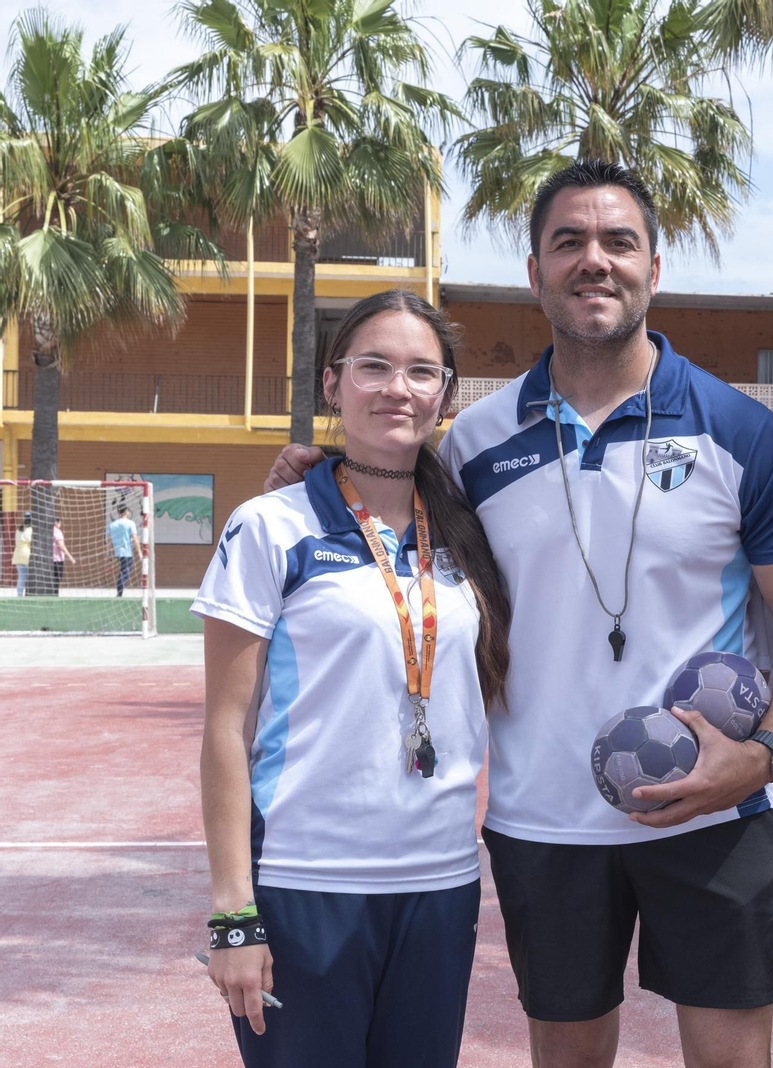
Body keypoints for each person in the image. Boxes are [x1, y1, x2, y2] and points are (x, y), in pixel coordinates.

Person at [266, 160, 773, 1068]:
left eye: (619, 241)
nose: (594, 261)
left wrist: (762, 755)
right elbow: (380, 504)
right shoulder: (472, 445)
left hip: (714, 814)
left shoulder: (739, 432)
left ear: (656, 268)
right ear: (534, 273)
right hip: (544, 817)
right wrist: (317, 480)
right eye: (567, 242)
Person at [197, 289, 513, 1066]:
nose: (395, 387)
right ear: (332, 384)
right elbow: (227, 730)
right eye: (373, 366)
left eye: (420, 371)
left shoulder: (469, 532)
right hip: (307, 881)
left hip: (440, 883)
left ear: (445, 396)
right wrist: (233, 915)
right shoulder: (271, 525)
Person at [107, 504, 142, 597]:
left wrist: (109, 553)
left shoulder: (112, 525)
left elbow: (109, 540)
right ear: (126, 511)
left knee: (123, 570)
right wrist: (139, 553)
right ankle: (119, 591)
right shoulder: (131, 523)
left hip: (117, 552)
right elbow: (135, 538)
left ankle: (119, 591)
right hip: (127, 552)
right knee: (126, 571)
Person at [51, 520, 75, 595]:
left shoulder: (47, 530)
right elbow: (61, 546)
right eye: (60, 523)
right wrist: (70, 557)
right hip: (57, 559)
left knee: (51, 579)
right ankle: (55, 595)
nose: (60, 524)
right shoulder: (57, 532)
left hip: (48, 559)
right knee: (56, 579)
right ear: (56, 522)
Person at [11, 511, 31, 596]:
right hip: (26, 556)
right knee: (29, 578)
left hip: (17, 556)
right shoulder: (30, 530)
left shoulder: (18, 530)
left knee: (21, 577)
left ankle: (19, 595)